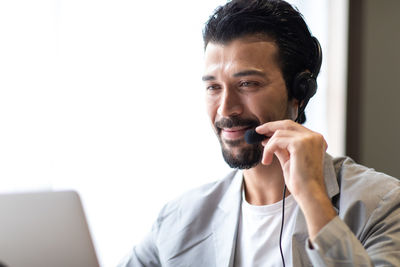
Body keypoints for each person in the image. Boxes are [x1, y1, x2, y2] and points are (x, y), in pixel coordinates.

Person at [119, 0, 400, 266]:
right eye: (214, 87)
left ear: (299, 91)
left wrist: (315, 203)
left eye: (247, 84)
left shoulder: (383, 205)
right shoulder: (179, 219)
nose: (226, 109)